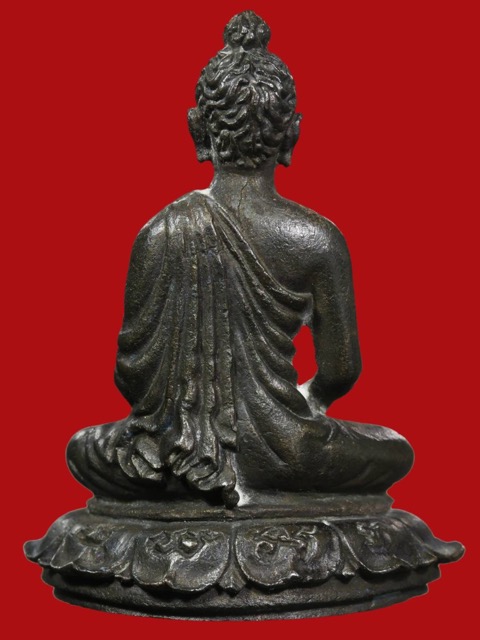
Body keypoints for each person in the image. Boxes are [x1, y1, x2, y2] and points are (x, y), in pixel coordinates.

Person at [67, 11, 413, 509]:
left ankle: (187, 484)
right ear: (292, 133)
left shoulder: (158, 232)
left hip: (170, 451)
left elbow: (131, 375)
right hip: (288, 450)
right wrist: (304, 403)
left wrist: (187, 420)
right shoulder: (317, 238)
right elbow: (341, 370)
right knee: (394, 449)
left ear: (197, 130)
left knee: (84, 449)